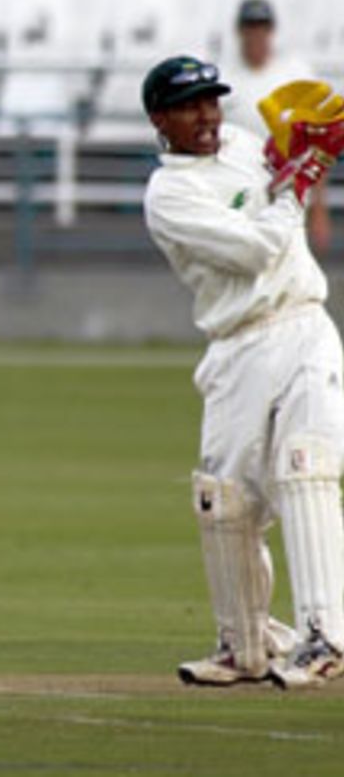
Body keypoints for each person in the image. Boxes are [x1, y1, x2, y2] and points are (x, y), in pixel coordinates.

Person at [141, 55, 344, 689]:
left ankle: (323, 639)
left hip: (304, 324)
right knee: (224, 501)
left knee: (306, 470)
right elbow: (255, 250)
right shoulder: (168, 195)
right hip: (237, 344)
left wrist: (304, 167)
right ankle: (244, 647)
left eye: (211, 101)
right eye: (190, 106)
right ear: (160, 120)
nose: (206, 116)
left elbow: (286, 192)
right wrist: (298, 187)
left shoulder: (245, 145)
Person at [220, 0, 330, 252]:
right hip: (240, 195)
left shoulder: (294, 73)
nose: (256, 35)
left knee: (291, 274)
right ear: (240, 31)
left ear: (271, 31)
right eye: (250, 27)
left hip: (289, 195)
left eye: (262, 27)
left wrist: (319, 209)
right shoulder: (224, 78)